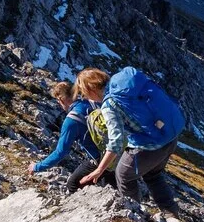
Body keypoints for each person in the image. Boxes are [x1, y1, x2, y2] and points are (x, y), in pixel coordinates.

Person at [74, 67, 185, 214]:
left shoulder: (109, 104)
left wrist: (99, 169)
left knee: (123, 175)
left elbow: (116, 141)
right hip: (171, 135)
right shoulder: (125, 83)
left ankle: (134, 213)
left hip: (151, 145)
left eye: (84, 93)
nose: (86, 98)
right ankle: (172, 214)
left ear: (91, 89)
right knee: (153, 174)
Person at [30, 82, 116, 193]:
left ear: (61, 99)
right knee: (114, 185)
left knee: (73, 184)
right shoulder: (92, 103)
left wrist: (37, 167)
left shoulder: (71, 120)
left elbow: (61, 152)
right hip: (113, 153)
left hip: (97, 158)